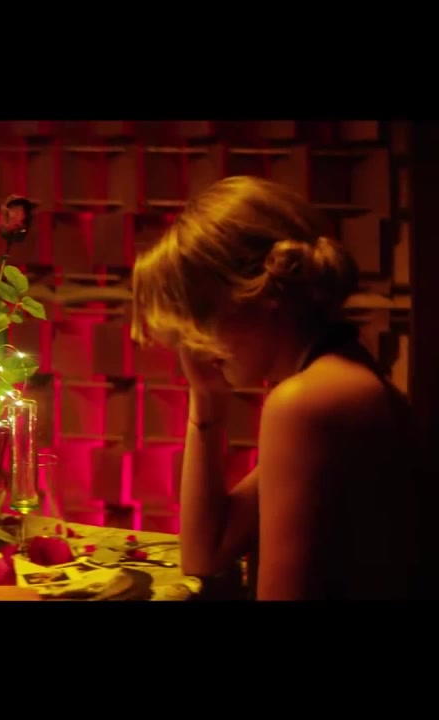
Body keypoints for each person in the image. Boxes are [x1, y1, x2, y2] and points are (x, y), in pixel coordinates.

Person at [130, 175, 420, 600]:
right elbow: (205, 552)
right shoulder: (345, 375)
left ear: (263, 293)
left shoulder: (306, 404)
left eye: (203, 314)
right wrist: (207, 398)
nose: (196, 341)